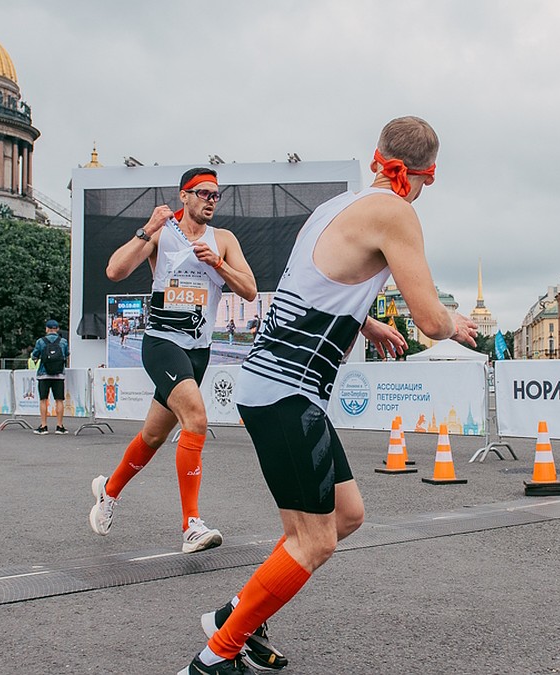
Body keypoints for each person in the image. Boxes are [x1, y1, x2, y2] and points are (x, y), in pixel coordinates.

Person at [177, 117, 479, 674]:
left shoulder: (336, 208)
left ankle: (235, 616)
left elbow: (316, 281)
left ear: (378, 158)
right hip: (286, 390)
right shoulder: (398, 212)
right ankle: (213, 657)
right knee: (313, 541)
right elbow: (431, 318)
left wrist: (367, 326)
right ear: (425, 178)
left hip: (281, 387)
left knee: (346, 514)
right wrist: (454, 322)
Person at [91, 167, 257, 554]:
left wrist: (218, 264)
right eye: (203, 193)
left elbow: (248, 290)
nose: (211, 200)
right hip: (162, 344)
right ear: (184, 196)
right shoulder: (163, 233)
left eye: (216, 195)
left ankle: (108, 492)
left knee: (153, 435)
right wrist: (146, 229)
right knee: (196, 419)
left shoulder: (224, 240)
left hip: (198, 352)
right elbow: (115, 271)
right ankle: (191, 526)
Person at [30, 318, 69, 435]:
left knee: (43, 400)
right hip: (59, 375)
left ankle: (43, 426)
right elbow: (66, 354)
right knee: (59, 400)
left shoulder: (41, 341)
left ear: (47, 329)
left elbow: (34, 355)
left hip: (43, 374)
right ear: (57, 329)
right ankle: (60, 426)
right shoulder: (63, 341)